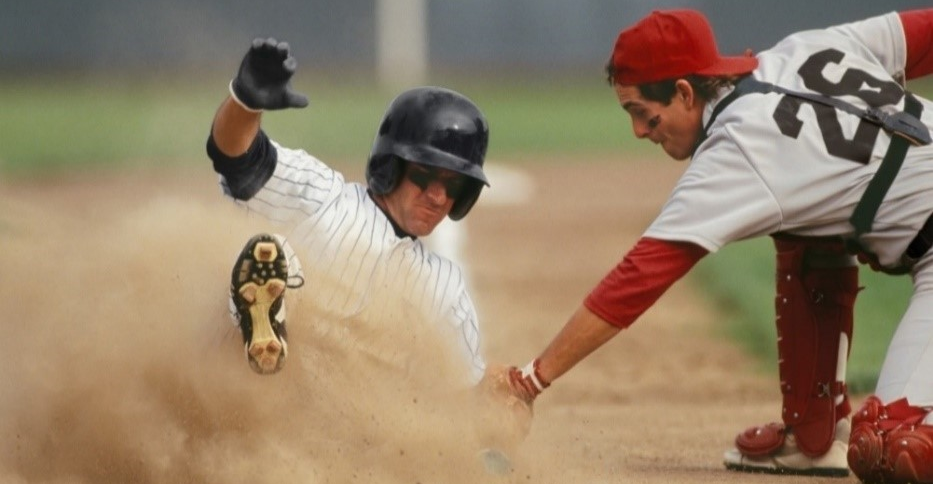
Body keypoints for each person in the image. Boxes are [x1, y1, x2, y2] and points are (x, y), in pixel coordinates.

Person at [495, 8, 933, 483]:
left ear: (684, 92)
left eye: (642, 113)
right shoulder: (809, 46)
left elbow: (639, 277)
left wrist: (529, 381)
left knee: (890, 447)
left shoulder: (738, 148)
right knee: (807, 233)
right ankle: (812, 437)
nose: (639, 131)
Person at [206, 38, 490, 385]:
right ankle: (262, 328)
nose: (437, 196)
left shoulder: (446, 289)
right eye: (425, 175)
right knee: (268, 255)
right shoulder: (322, 196)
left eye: (454, 186)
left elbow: (466, 397)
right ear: (392, 164)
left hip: (336, 424)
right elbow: (236, 158)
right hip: (245, 385)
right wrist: (245, 104)